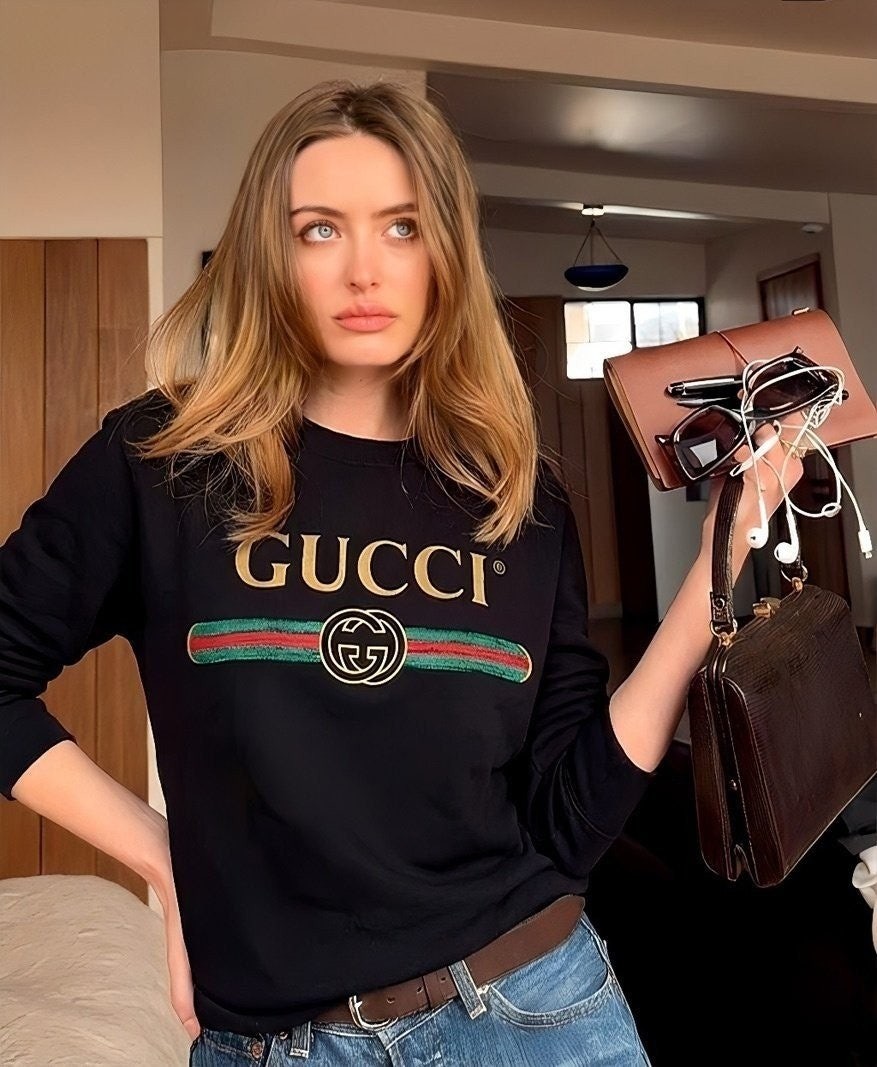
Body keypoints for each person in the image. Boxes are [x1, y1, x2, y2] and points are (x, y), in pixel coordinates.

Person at [0, 80, 803, 1066]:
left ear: (443, 253)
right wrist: (157, 849)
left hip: (540, 1011)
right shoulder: (163, 463)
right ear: (268, 255)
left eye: (402, 226)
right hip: (282, 1041)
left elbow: (566, 824)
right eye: (319, 229)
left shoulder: (518, 495)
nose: (364, 269)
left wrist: (714, 565)